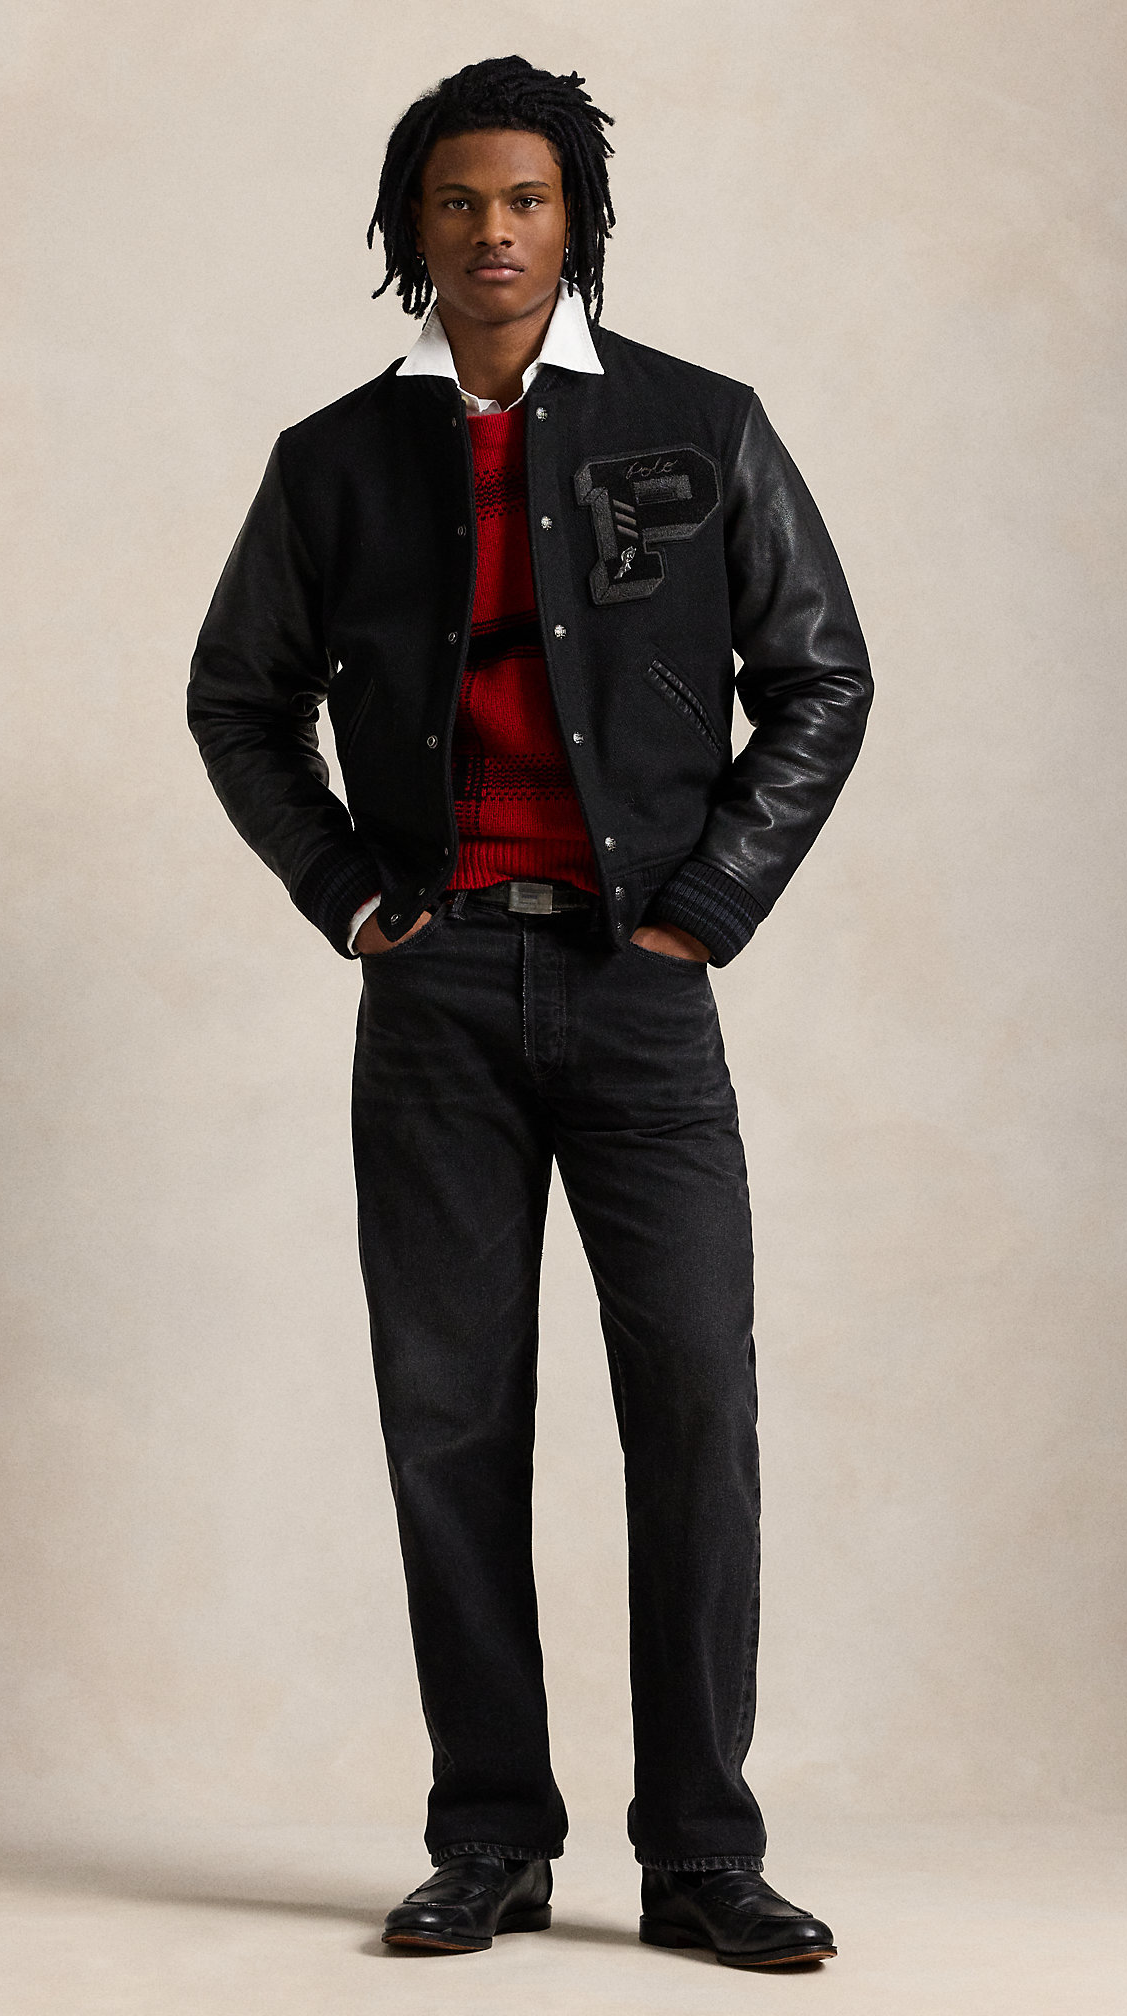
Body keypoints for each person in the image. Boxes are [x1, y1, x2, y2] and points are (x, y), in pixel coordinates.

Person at [187, 54, 871, 1972]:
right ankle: (487, 1834)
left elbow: (822, 674)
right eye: (459, 200)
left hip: (638, 990)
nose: (493, 231)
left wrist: (706, 912)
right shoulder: (335, 458)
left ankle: (703, 1854)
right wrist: (353, 898)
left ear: (578, 221)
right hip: (434, 1001)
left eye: (528, 199)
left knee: (698, 1407)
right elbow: (236, 698)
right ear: (411, 227)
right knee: (449, 1417)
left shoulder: (697, 424)